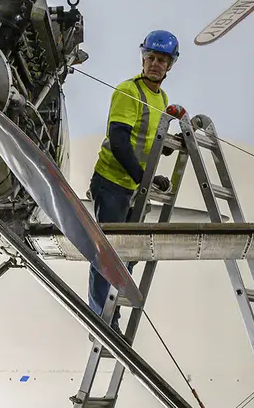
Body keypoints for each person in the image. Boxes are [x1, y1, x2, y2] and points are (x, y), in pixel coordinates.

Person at [87, 29, 180, 331]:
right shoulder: (128, 91)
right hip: (112, 184)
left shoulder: (161, 97)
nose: (155, 64)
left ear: (170, 65)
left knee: (129, 254)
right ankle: (102, 322)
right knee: (107, 255)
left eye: (161, 60)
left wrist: (166, 150)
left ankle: (111, 312)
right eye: (151, 57)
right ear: (143, 58)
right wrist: (145, 179)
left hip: (133, 187)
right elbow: (119, 142)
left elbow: (148, 141)